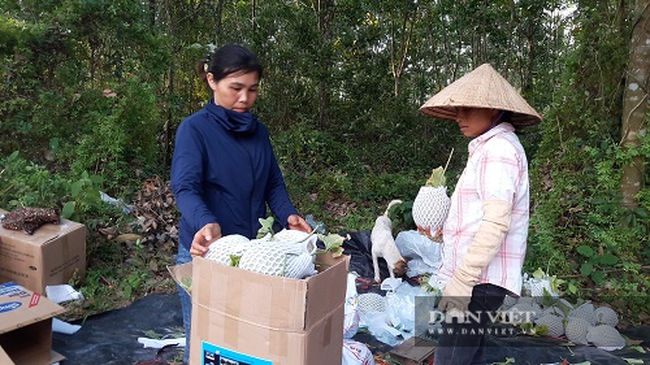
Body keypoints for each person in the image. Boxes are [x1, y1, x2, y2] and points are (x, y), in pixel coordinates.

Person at [170, 43, 312, 364]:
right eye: (235, 88)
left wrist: (288, 215)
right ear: (211, 81)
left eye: (252, 89)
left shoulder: (258, 131)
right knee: (207, 342)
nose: (245, 98)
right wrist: (205, 221)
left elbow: (272, 182)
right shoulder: (195, 130)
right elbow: (185, 186)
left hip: (253, 257)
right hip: (208, 253)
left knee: (247, 341)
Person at [417, 63, 542, 365]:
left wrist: (462, 280)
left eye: (469, 109)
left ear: (495, 111)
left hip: (477, 281)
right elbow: (478, 216)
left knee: (451, 358)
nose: (460, 117)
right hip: (478, 279)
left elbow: (497, 222)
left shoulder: (498, 150)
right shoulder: (490, 148)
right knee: (467, 356)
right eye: (458, 109)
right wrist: (442, 233)